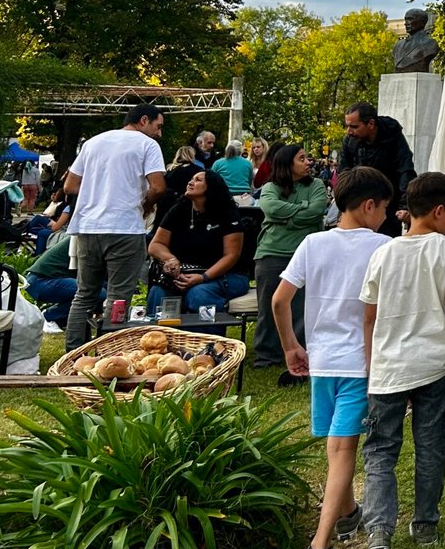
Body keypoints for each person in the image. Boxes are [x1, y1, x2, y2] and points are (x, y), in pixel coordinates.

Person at [275, 166, 394, 549]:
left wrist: (291, 345)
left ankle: (347, 513)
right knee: (343, 450)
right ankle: (321, 543)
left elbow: (279, 300)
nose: (387, 217)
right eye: (384, 209)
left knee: (335, 446)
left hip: (321, 361)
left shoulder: (312, 243)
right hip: (361, 363)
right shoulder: (383, 247)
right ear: (368, 206)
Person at [359, 172, 445, 549]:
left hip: (388, 366)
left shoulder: (383, 252)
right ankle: (425, 522)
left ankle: (378, 532)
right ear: (439, 211)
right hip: (432, 363)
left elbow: (369, 316)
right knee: (431, 446)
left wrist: (372, 362)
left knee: (380, 450)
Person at [62, 103, 166, 349]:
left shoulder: (93, 142)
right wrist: (146, 203)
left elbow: (69, 187)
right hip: (125, 227)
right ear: (144, 120)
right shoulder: (147, 145)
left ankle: (73, 353)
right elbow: (159, 187)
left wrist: (96, 192)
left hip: (88, 227)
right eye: (158, 126)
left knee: (84, 295)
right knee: (118, 298)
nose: (159, 133)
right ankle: (109, 353)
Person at [253, 144, 330, 378]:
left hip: (306, 252)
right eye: (301, 158)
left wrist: (286, 218)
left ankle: (302, 352)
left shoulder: (316, 185)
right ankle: (267, 356)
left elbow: (317, 211)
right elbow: (270, 208)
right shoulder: (270, 187)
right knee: (268, 306)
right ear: (287, 164)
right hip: (272, 252)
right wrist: (300, 213)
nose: (308, 162)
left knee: (302, 307)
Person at [146, 169, 248, 326]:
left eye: (198, 180)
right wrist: (171, 259)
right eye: (192, 179)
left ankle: (208, 347)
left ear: (211, 187)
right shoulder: (179, 210)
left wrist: (203, 277)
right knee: (158, 292)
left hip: (226, 275)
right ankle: (160, 344)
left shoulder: (227, 213)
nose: (190, 182)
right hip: (184, 273)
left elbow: (231, 255)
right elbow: (156, 245)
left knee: (199, 294)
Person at [338, 103, 415, 238]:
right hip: (358, 206)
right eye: (347, 126)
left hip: (388, 207)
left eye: (354, 126)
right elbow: (343, 174)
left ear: (371, 124)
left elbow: (405, 170)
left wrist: (404, 206)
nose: (349, 131)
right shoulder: (349, 142)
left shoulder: (393, 137)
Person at [24, 214, 78, 327]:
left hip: (46, 279)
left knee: (98, 290)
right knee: (94, 292)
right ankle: (49, 317)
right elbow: (55, 228)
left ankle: (58, 315)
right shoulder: (82, 240)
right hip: (40, 281)